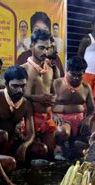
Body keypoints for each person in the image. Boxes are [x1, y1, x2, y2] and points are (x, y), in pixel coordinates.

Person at [0, 66, 45, 162]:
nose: (20, 90)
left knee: (41, 149)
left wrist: (24, 146)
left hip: (13, 142)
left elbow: (31, 133)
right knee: (1, 135)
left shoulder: (26, 104)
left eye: (23, 86)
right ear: (6, 84)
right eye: (15, 86)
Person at [53, 57, 95, 155]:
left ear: (84, 73)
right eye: (73, 74)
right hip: (63, 120)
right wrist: (54, 116)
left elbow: (91, 109)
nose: (76, 78)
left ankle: (83, 148)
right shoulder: (56, 83)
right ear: (67, 71)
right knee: (61, 133)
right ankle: (60, 148)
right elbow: (46, 105)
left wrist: (88, 119)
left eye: (79, 75)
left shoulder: (86, 87)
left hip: (80, 120)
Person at [21, 29, 57, 160]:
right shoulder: (24, 68)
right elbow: (19, 96)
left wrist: (54, 99)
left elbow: (53, 92)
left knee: (51, 154)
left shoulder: (50, 69)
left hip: (47, 118)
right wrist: (38, 98)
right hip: (30, 119)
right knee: (36, 153)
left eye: (47, 48)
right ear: (31, 46)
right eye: (41, 48)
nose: (45, 52)